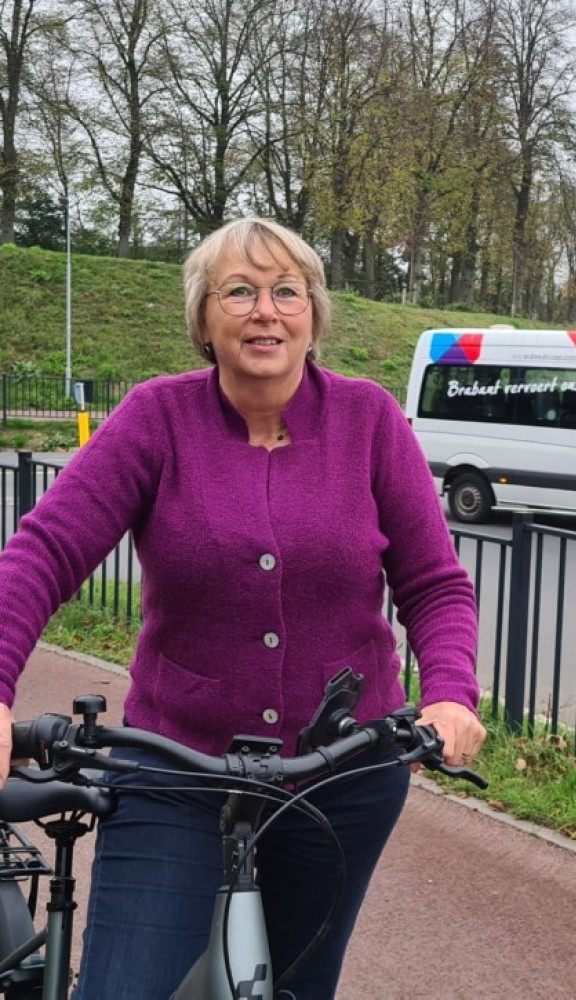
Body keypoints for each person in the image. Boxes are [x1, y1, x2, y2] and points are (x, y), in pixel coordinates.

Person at [0, 217, 485, 997]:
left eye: (286, 291)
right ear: (203, 320)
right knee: (130, 985)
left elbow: (434, 582)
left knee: (294, 985)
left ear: (314, 314)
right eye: (240, 292)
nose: (266, 310)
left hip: (340, 772)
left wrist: (453, 693)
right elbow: (42, 553)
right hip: (177, 767)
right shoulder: (157, 419)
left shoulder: (370, 423)